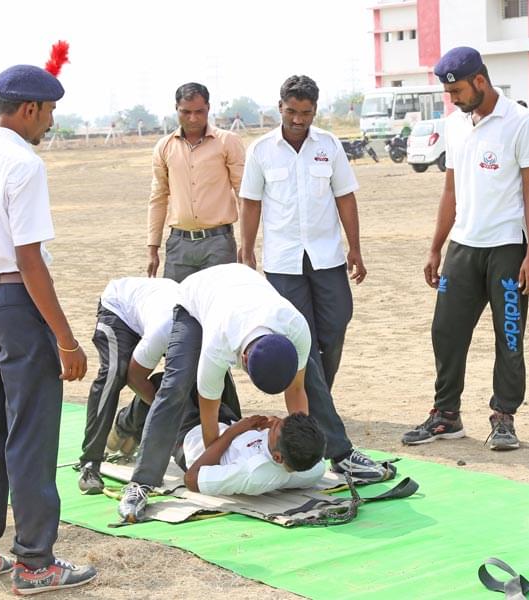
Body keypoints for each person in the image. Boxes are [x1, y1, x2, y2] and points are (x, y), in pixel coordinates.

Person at [0, 64, 96, 592]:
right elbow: (30, 259)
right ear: (30, 109)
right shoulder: (24, 165)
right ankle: (34, 561)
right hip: (16, 303)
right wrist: (67, 341)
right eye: (49, 112)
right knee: (30, 433)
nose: (50, 123)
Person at [118, 263, 392, 523]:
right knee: (176, 385)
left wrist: (297, 434)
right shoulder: (218, 343)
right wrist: (217, 450)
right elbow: (208, 406)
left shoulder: (295, 327)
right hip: (197, 296)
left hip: (245, 288)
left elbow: (296, 388)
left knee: (311, 376)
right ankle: (142, 482)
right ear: (244, 361)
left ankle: (342, 454)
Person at [401, 46, 529, 451]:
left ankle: (504, 417)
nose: (453, 99)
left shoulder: (522, 121)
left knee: (509, 336)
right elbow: (451, 190)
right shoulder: (455, 124)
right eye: (448, 93)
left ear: (480, 80)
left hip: (507, 248)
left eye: (457, 91)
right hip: (463, 246)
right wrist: (436, 248)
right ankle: (446, 415)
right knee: (445, 331)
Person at [239, 74, 366, 392]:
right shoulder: (261, 150)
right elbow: (250, 203)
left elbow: (345, 197)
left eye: (306, 113)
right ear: (280, 107)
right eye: (291, 112)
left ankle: (320, 396)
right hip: (283, 262)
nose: (298, 120)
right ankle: (317, 408)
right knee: (299, 335)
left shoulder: (329, 145)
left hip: (327, 257)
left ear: (315, 110)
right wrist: (247, 249)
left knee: (336, 324)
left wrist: (355, 248)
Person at [76, 276, 181, 495]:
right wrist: (165, 414)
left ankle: (127, 423)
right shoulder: (162, 330)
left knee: (181, 379)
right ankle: (90, 462)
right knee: (115, 372)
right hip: (119, 309)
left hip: (152, 311)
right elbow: (135, 378)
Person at [147, 82, 245, 282]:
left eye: (199, 112)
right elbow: (158, 198)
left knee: (218, 299)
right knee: (176, 300)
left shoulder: (228, 142)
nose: (193, 118)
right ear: (176, 108)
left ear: (208, 108)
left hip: (219, 244)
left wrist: (246, 244)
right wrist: (152, 249)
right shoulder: (164, 147)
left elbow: (243, 194)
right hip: (179, 245)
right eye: (186, 112)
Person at [183, 413, 326, 496]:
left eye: (275, 428)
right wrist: (269, 425)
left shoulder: (251, 471)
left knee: (183, 385)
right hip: (230, 422)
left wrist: (232, 432)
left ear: (277, 457)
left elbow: (191, 479)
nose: (276, 422)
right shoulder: (315, 467)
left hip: (193, 437)